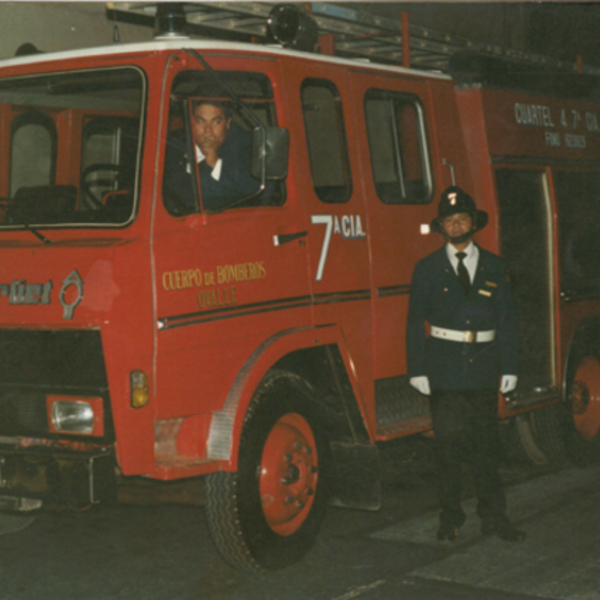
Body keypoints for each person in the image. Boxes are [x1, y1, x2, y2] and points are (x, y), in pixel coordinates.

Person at [406, 186, 526, 543]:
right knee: (447, 451)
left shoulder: (494, 265)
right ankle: (450, 518)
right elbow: (414, 323)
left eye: (462, 219)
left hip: (484, 368)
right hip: (443, 368)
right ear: (442, 227)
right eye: (449, 220)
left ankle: (494, 519)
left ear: (473, 223)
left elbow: (506, 320)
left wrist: (510, 367)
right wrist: (417, 370)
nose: (456, 225)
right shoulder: (427, 269)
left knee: (487, 449)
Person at [162, 100, 269, 214]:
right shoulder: (169, 145)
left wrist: (213, 162)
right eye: (200, 121)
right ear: (191, 123)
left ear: (228, 124)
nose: (208, 131)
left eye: (216, 122)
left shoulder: (249, 148)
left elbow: (259, 197)